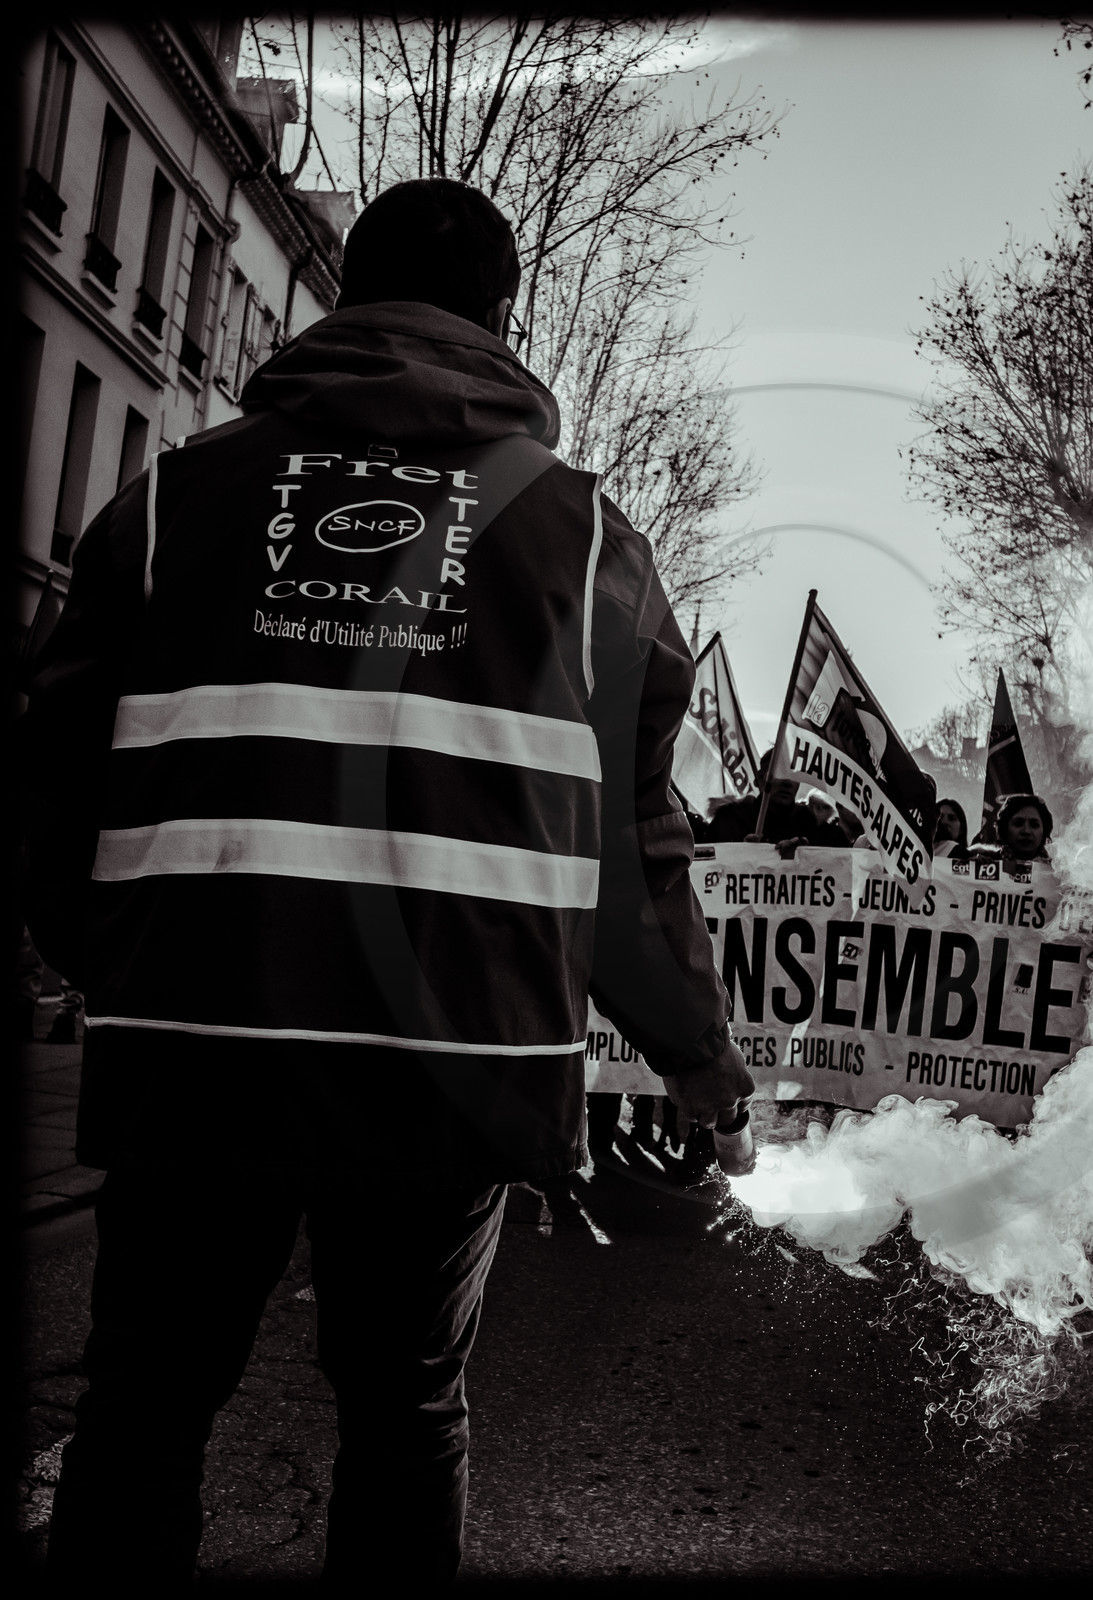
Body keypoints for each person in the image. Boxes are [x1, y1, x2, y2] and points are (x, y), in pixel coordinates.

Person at [19, 177, 753, 1588]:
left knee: (146, 1409)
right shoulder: (589, 544)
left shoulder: (173, 499)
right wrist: (701, 1062)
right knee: (405, 1414)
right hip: (454, 1061)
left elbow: (49, 784)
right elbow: (628, 851)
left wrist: (124, 965)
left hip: (200, 1043)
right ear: (501, 318)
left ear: (339, 304)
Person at [704, 749, 849, 849]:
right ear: (760, 779)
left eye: (794, 775)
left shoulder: (814, 827)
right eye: (780, 773)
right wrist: (740, 850)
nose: (788, 782)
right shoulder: (731, 819)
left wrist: (807, 852)